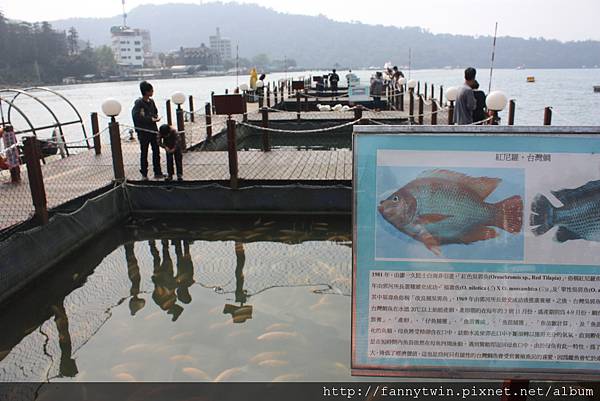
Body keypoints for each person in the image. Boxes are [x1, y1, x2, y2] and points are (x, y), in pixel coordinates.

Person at [132, 81, 163, 180]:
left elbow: (155, 111)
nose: (153, 92)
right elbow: (136, 117)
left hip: (153, 130)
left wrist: (155, 117)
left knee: (156, 151)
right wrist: (150, 119)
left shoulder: (152, 101)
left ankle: (158, 172)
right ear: (146, 92)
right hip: (144, 132)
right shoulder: (139, 103)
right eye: (151, 90)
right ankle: (144, 174)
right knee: (144, 152)